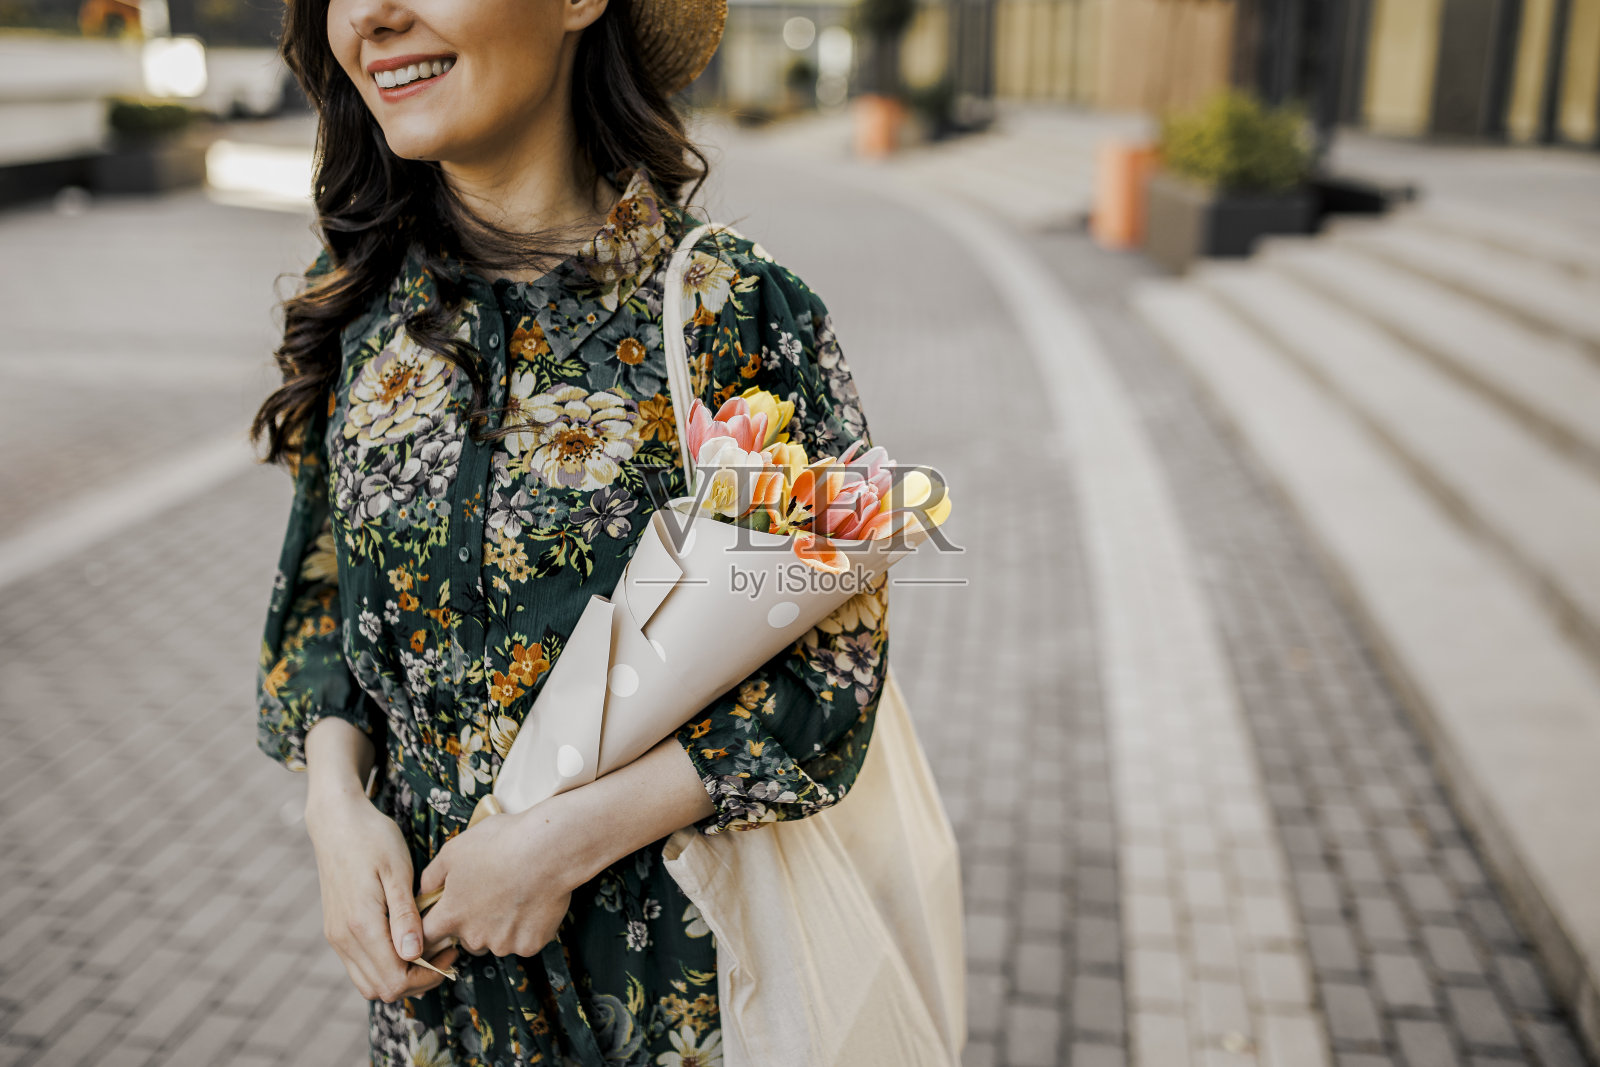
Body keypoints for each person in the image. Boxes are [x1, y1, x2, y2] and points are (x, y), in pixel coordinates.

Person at [248, 0, 891, 1060]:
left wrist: (562, 843)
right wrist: (333, 803)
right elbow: (322, 597)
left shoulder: (732, 309)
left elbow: (836, 664)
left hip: (682, 995)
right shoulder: (363, 314)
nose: (372, 14)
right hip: (434, 1017)